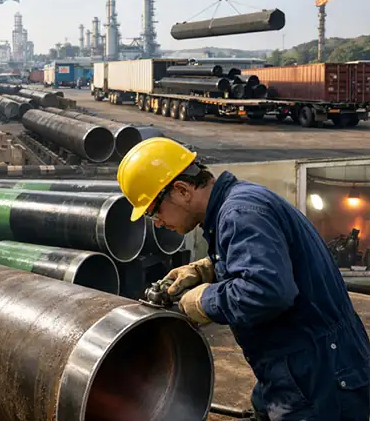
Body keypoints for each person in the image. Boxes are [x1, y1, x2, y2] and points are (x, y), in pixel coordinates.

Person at [117, 137, 370, 421]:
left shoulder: (241, 214)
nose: (159, 222)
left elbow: (267, 291)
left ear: (181, 190)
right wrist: (209, 268)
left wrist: (203, 300)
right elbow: (275, 259)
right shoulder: (238, 203)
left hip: (320, 379)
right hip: (297, 369)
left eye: (154, 212)